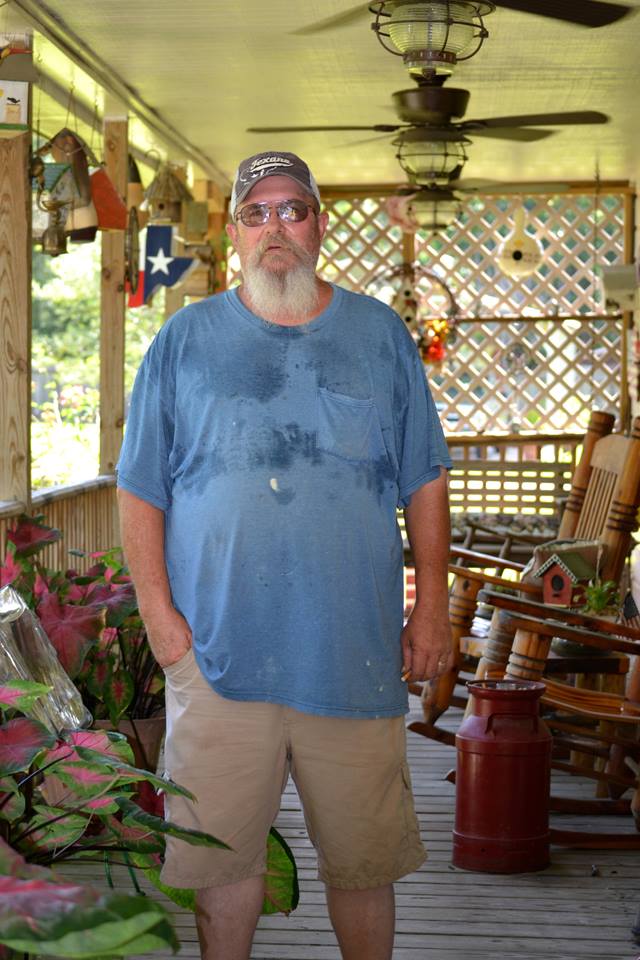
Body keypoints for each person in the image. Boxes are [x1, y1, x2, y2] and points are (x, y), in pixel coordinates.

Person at [116, 150, 453, 960]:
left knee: (364, 863)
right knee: (221, 863)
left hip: (353, 652)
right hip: (217, 653)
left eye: (292, 209)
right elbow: (140, 487)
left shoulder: (378, 334)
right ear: (234, 234)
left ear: (318, 225)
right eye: (256, 212)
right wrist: (160, 619)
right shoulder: (183, 340)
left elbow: (425, 478)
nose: (275, 227)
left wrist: (434, 609)